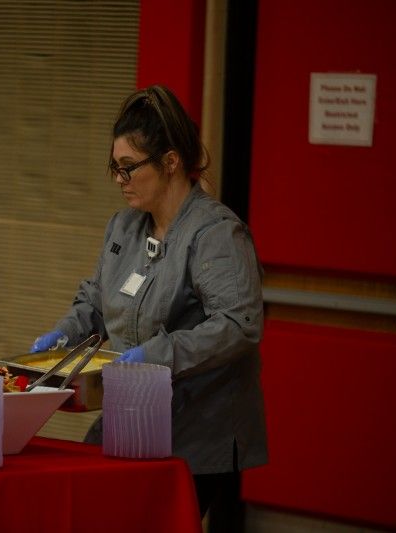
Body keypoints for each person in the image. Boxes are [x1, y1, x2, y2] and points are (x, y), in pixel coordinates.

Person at [30, 85, 267, 527]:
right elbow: (94, 304)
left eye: (127, 168)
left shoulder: (215, 233)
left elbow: (239, 324)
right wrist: (61, 337)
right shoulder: (124, 226)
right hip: (131, 411)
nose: (119, 180)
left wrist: (154, 357)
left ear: (171, 162)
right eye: (114, 169)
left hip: (198, 429)